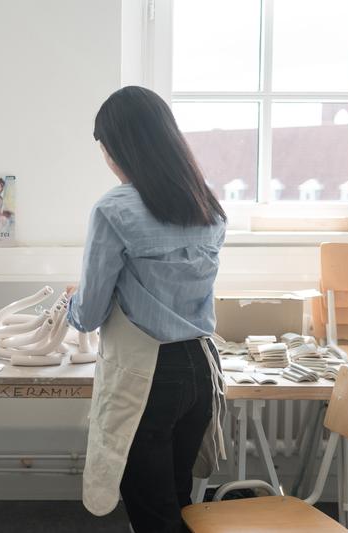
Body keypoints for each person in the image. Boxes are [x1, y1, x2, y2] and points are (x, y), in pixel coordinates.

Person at [66, 86, 227, 533]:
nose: (106, 158)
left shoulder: (114, 209)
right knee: (176, 504)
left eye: (104, 147)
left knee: (152, 516)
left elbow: (91, 313)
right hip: (201, 368)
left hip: (148, 377)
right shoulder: (206, 204)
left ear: (119, 146)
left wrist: (71, 304)